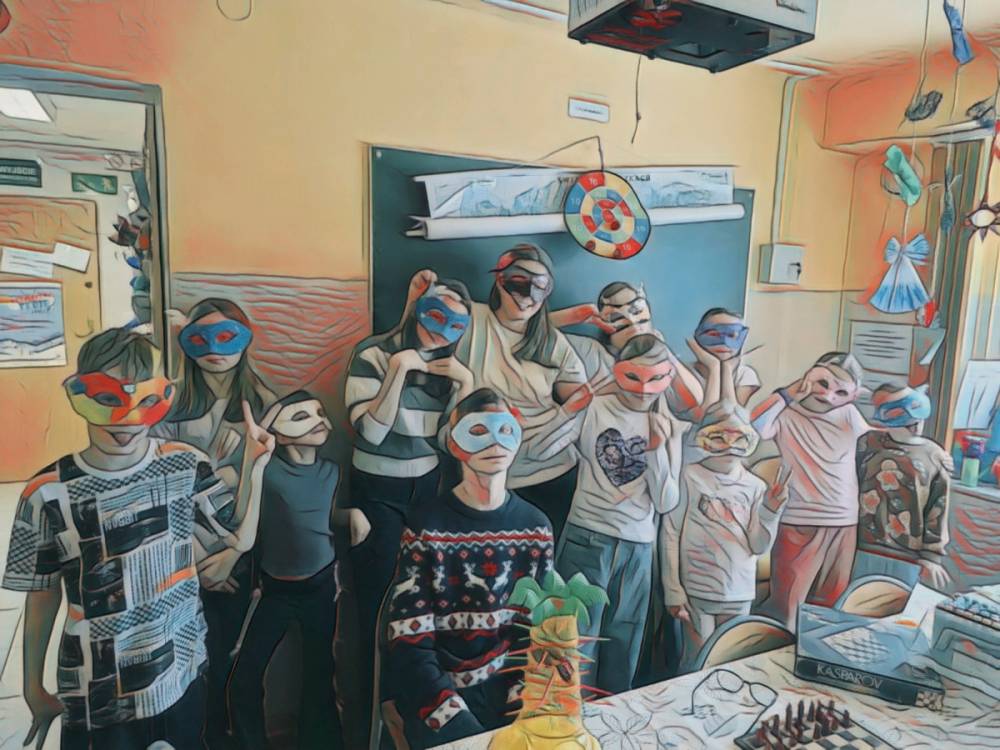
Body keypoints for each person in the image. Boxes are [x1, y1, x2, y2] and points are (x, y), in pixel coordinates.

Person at [2, 328, 272, 750]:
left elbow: (239, 534)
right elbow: (42, 592)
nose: (127, 418)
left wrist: (255, 467)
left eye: (145, 399)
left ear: (163, 394)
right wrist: (32, 685)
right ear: (77, 393)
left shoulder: (184, 465)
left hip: (180, 669)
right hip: (97, 689)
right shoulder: (46, 494)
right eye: (107, 398)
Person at [385, 388, 555, 750]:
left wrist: (520, 709)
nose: (494, 443)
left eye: (505, 430)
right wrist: (458, 723)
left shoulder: (536, 527)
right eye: (478, 431)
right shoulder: (426, 527)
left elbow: (537, 633)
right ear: (455, 444)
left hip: (506, 693)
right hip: (438, 695)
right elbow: (409, 640)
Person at [343, 278, 474, 727]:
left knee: (422, 603)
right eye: (435, 314)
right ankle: (371, 720)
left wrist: (465, 384)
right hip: (376, 490)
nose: (441, 329)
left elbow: (451, 443)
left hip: (429, 489)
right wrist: (397, 371)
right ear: (418, 308)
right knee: (378, 604)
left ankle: (412, 712)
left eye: (455, 323)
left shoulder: (450, 367)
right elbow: (371, 431)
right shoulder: (374, 353)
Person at [155, 297, 276, 749]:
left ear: (247, 339)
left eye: (227, 337)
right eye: (199, 338)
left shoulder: (263, 402)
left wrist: (231, 556)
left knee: (233, 661)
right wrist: (197, 559)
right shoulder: (168, 402)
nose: (214, 349)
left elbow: (266, 489)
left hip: (240, 552)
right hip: (180, 554)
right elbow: (163, 487)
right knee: (188, 665)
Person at [402, 245, 587, 537]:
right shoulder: (469, 319)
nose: (528, 297)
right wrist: (414, 301)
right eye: (519, 283)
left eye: (540, 287)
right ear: (500, 280)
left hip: (549, 471)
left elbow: (581, 400)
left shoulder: (554, 343)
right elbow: (413, 343)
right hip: (476, 467)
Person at [539, 334, 685, 694]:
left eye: (655, 378)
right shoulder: (595, 408)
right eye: (633, 376)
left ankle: (614, 718)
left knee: (624, 642)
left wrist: (657, 449)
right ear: (617, 370)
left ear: (669, 376)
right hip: (587, 535)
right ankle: (570, 717)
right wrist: (570, 408)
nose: (643, 389)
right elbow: (541, 450)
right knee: (573, 640)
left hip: (638, 546)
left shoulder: (668, 423)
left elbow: (666, 502)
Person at [229, 391, 343, 749]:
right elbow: (242, 516)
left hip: (321, 587)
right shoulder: (270, 471)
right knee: (244, 676)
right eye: (301, 417)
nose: (318, 420)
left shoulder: (332, 472)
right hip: (275, 590)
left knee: (320, 677)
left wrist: (351, 517)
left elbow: (324, 519)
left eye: (320, 412)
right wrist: (253, 459)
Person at [663, 368, 788, 671]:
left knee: (730, 663)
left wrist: (771, 510)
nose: (728, 445)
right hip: (697, 589)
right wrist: (673, 588)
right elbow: (671, 532)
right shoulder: (689, 476)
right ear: (703, 438)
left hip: (738, 590)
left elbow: (758, 545)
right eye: (717, 437)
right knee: (695, 662)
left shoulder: (756, 486)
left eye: (738, 438)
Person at [752, 352, 870, 630]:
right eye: (823, 383)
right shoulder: (786, 413)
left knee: (831, 604)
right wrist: (789, 392)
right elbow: (755, 425)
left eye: (841, 392)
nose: (828, 396)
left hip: (844, 520)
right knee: (787, 606)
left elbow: (877, 440)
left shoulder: (850, 415)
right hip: (799, 518)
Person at [856, 384, 951, 590]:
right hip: (861, 545)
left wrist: (932, 555)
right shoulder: (867, 443)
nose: (916, 429)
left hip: (909, 553)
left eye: (919, 422)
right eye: (908, 424)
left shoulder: (934, 455)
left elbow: (938, 506)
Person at [686, 308, 761, 408]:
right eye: (713, 334)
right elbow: (705, 415)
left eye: (731, 335)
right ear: (697, 336)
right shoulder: (682, 372)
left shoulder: (745, 374)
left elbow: (731, 414)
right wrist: (714, 367)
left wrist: (727, 370)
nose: (724, 341)